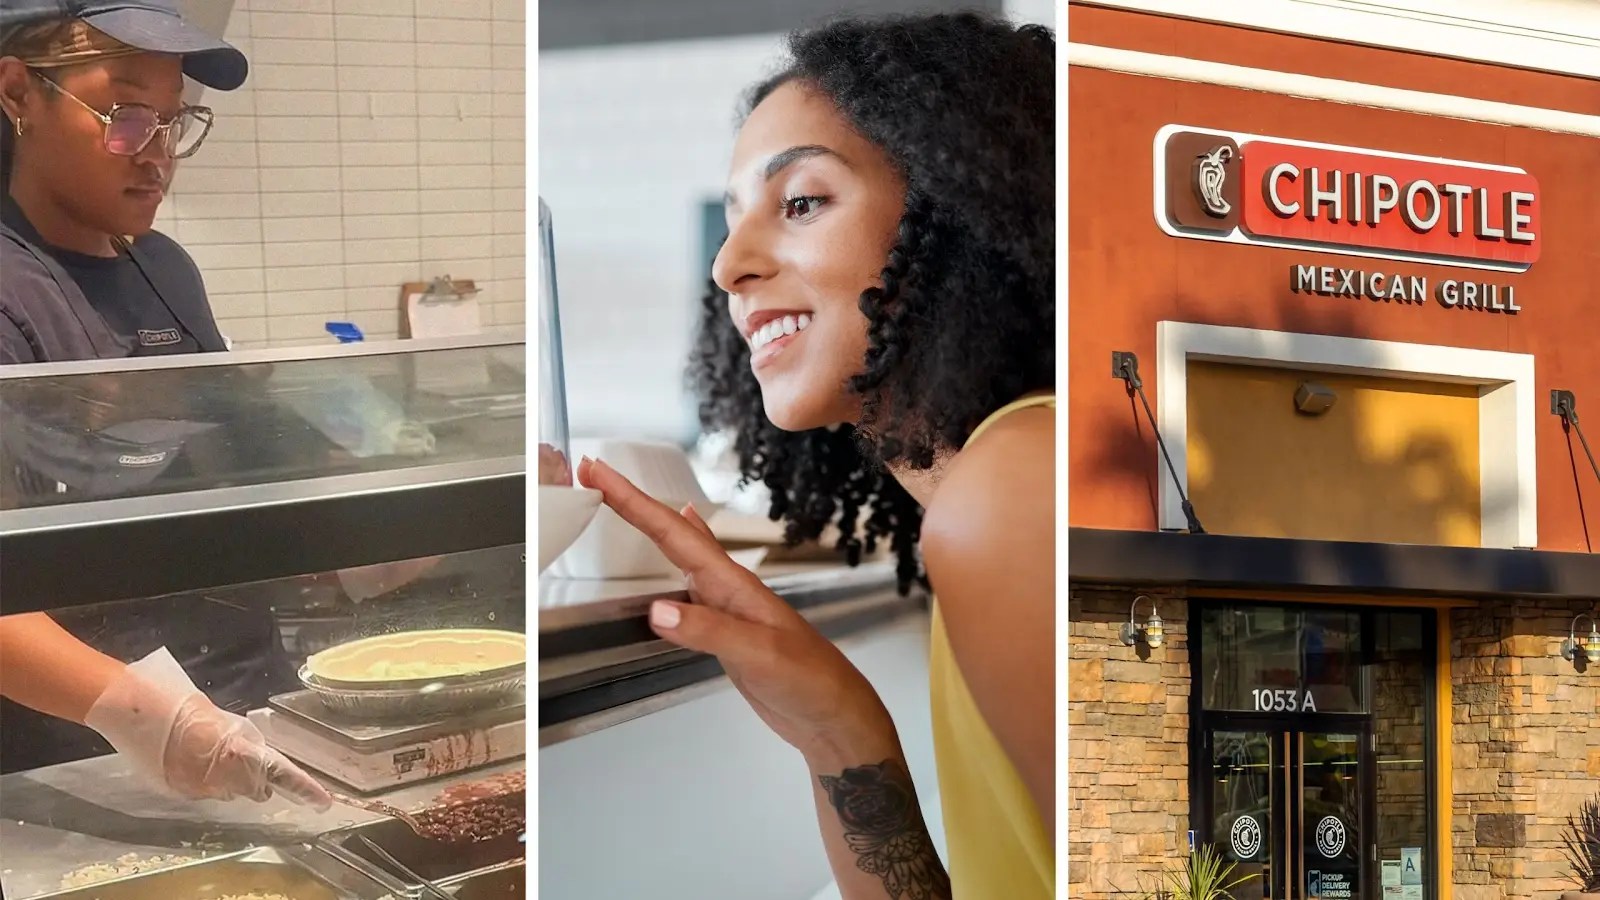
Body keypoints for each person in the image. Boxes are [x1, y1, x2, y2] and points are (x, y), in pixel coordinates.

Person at [578, 13, 1054, 899]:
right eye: (730, 222)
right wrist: (842, 733)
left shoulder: (1014, 491)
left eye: (802, 202)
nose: (727, 265)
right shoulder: (994, 486)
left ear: (956, 217)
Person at [0, 0, 331, 809]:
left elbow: (230, 466)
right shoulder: (12, 295)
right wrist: (154, 720)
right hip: (83, 764)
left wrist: (360, 540)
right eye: (125, 117)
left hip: (253, 712)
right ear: (16, 94)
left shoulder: (166, 271)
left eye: (174, 124)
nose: (156, 155)